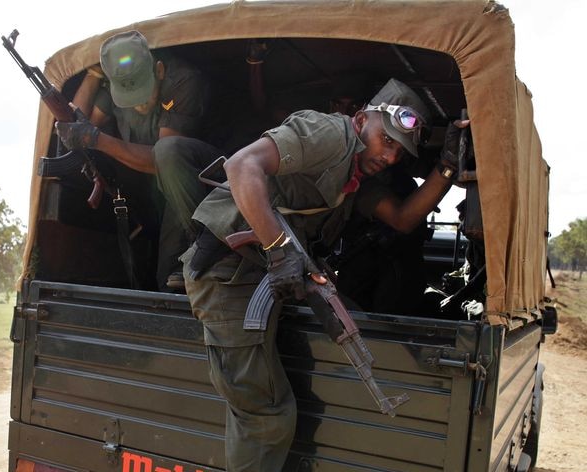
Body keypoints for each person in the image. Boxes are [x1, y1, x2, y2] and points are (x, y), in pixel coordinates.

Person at [181, 78, 467, 471]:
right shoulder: (330, 133)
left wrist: (447, 168)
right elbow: (241, 165)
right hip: (228, 275)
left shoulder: (356, 179)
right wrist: (280, 250)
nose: (390, 157)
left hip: (262, 275)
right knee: (266, 418)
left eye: (400, 152)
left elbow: (402, 219)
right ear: (362, 119)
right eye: (387, 141)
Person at [55, 30, 221, 291]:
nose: (137, 105)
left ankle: (204, 241)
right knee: (163, 278)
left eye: (144, 94)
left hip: (197, 187)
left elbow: (161, 160)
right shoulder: (115, 85)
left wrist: (97, 139)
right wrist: (94, 75)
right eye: (127, 99)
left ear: (159, 70)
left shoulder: (184, 80)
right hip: (152, 194)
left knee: (171, 280)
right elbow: (76, 125)